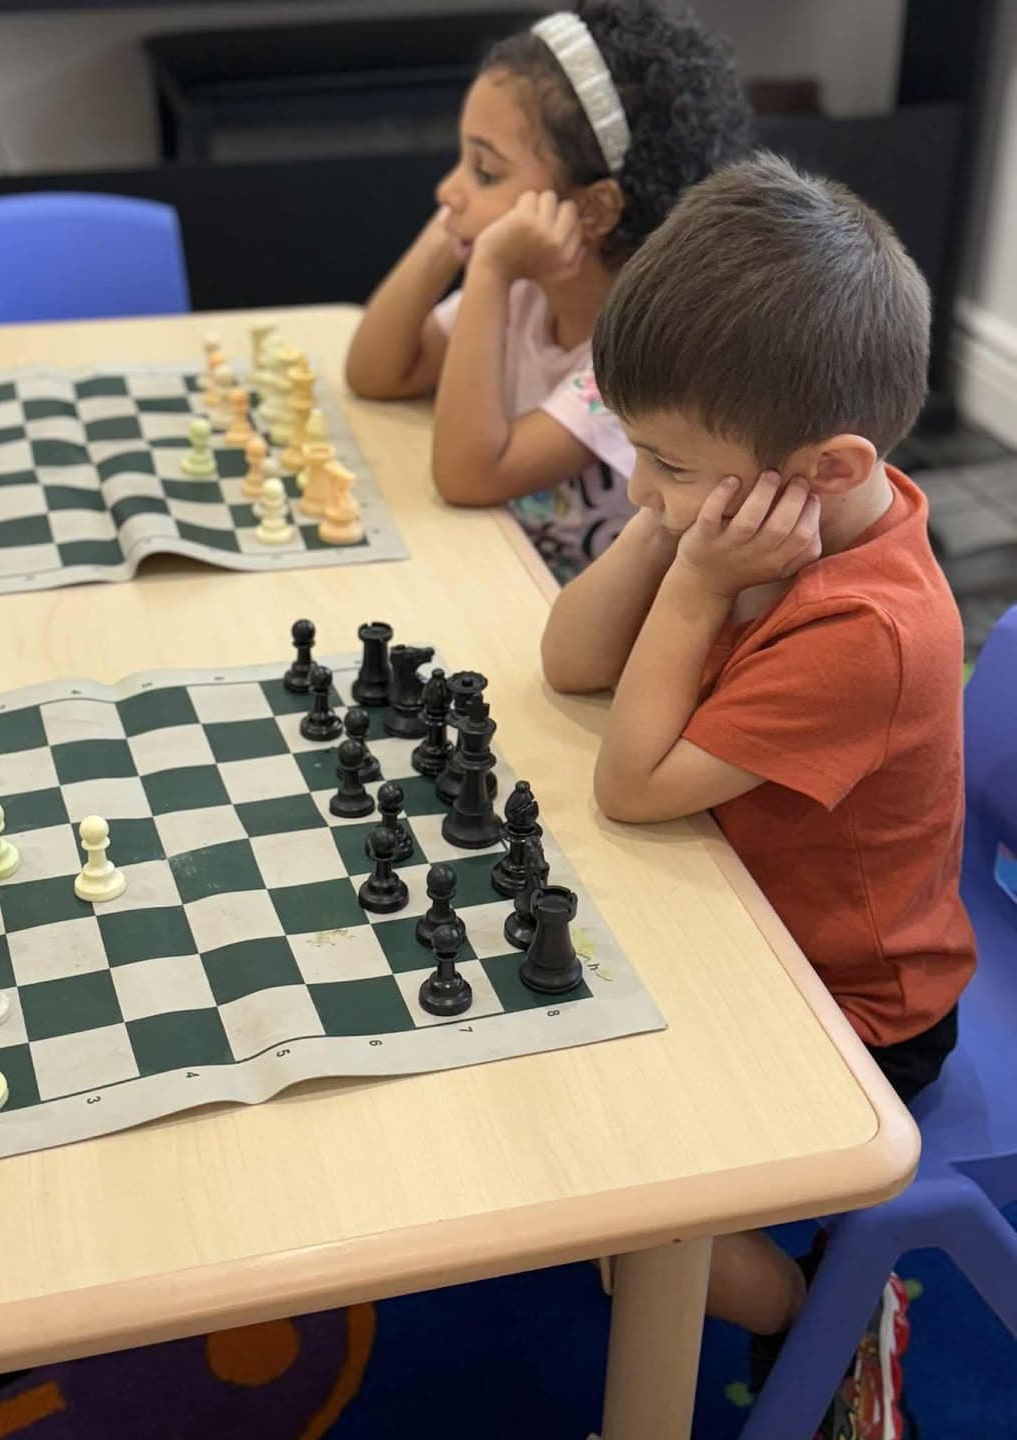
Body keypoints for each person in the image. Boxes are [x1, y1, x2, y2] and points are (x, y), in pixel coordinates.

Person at [542, 152, 976, 1434]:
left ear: (829, 466)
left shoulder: (870, 627)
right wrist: (674, 527)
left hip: (856, 1007)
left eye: (668, 461)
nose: (640, 486)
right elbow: (573, 661)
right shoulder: (759, 512)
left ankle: (820, 1310)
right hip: (742, 915)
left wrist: (685, 575)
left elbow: (634, 785)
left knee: (612, 1198)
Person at [345, 0, 753, 583]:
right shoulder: (527, 289)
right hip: (500, 568)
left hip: (583, 625)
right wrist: (454, 227)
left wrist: (485, 267)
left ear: (593, 208)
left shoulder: (639, 359)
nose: (447, 188)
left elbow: (469, 476)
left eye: (485, 171)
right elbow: (378, 371)